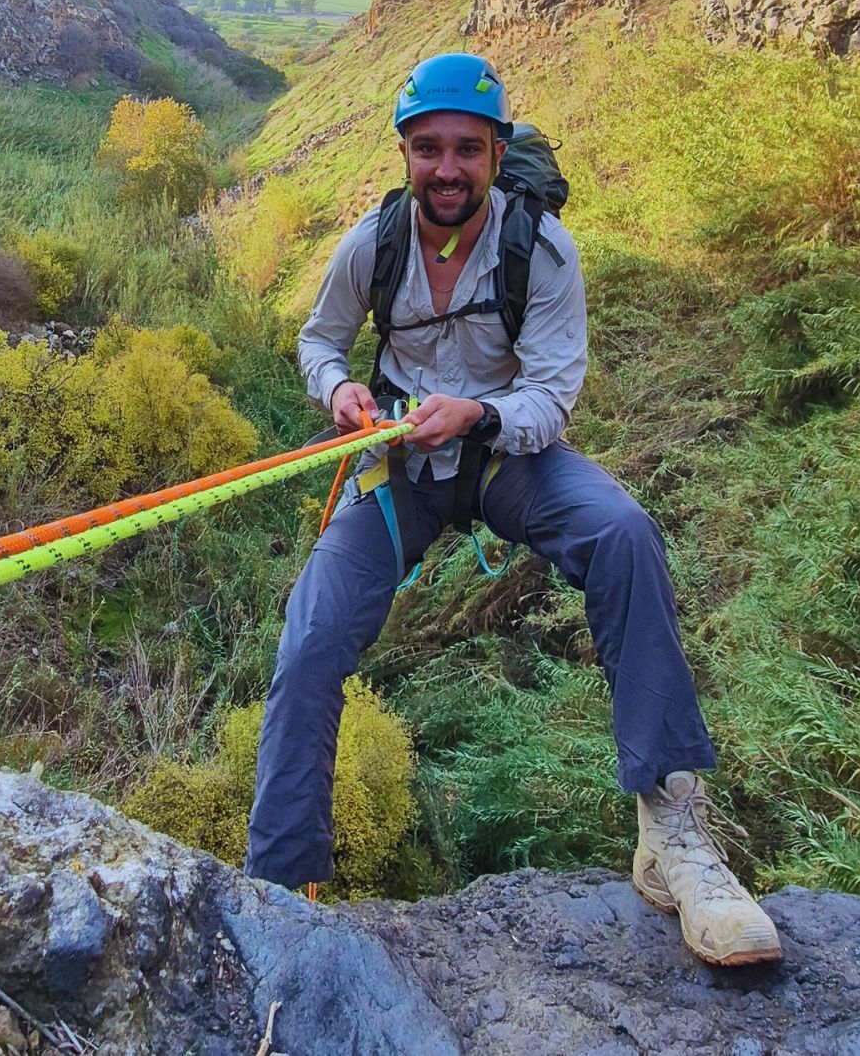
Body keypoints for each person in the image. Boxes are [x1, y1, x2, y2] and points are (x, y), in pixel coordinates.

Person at [244, 52, 781, 967]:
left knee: (621, 534)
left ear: (495, 152)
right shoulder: (370, 246)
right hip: (400, 469)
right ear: (405, 154)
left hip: (505, 458)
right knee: (312, 634)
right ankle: (279, 891)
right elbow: (320, 340)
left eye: (466, 149)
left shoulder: (542, 248)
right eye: (427, 150)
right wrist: (340, 393)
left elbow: (553, 396)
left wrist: (477, 413)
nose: (446, 170)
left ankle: (675, 838)